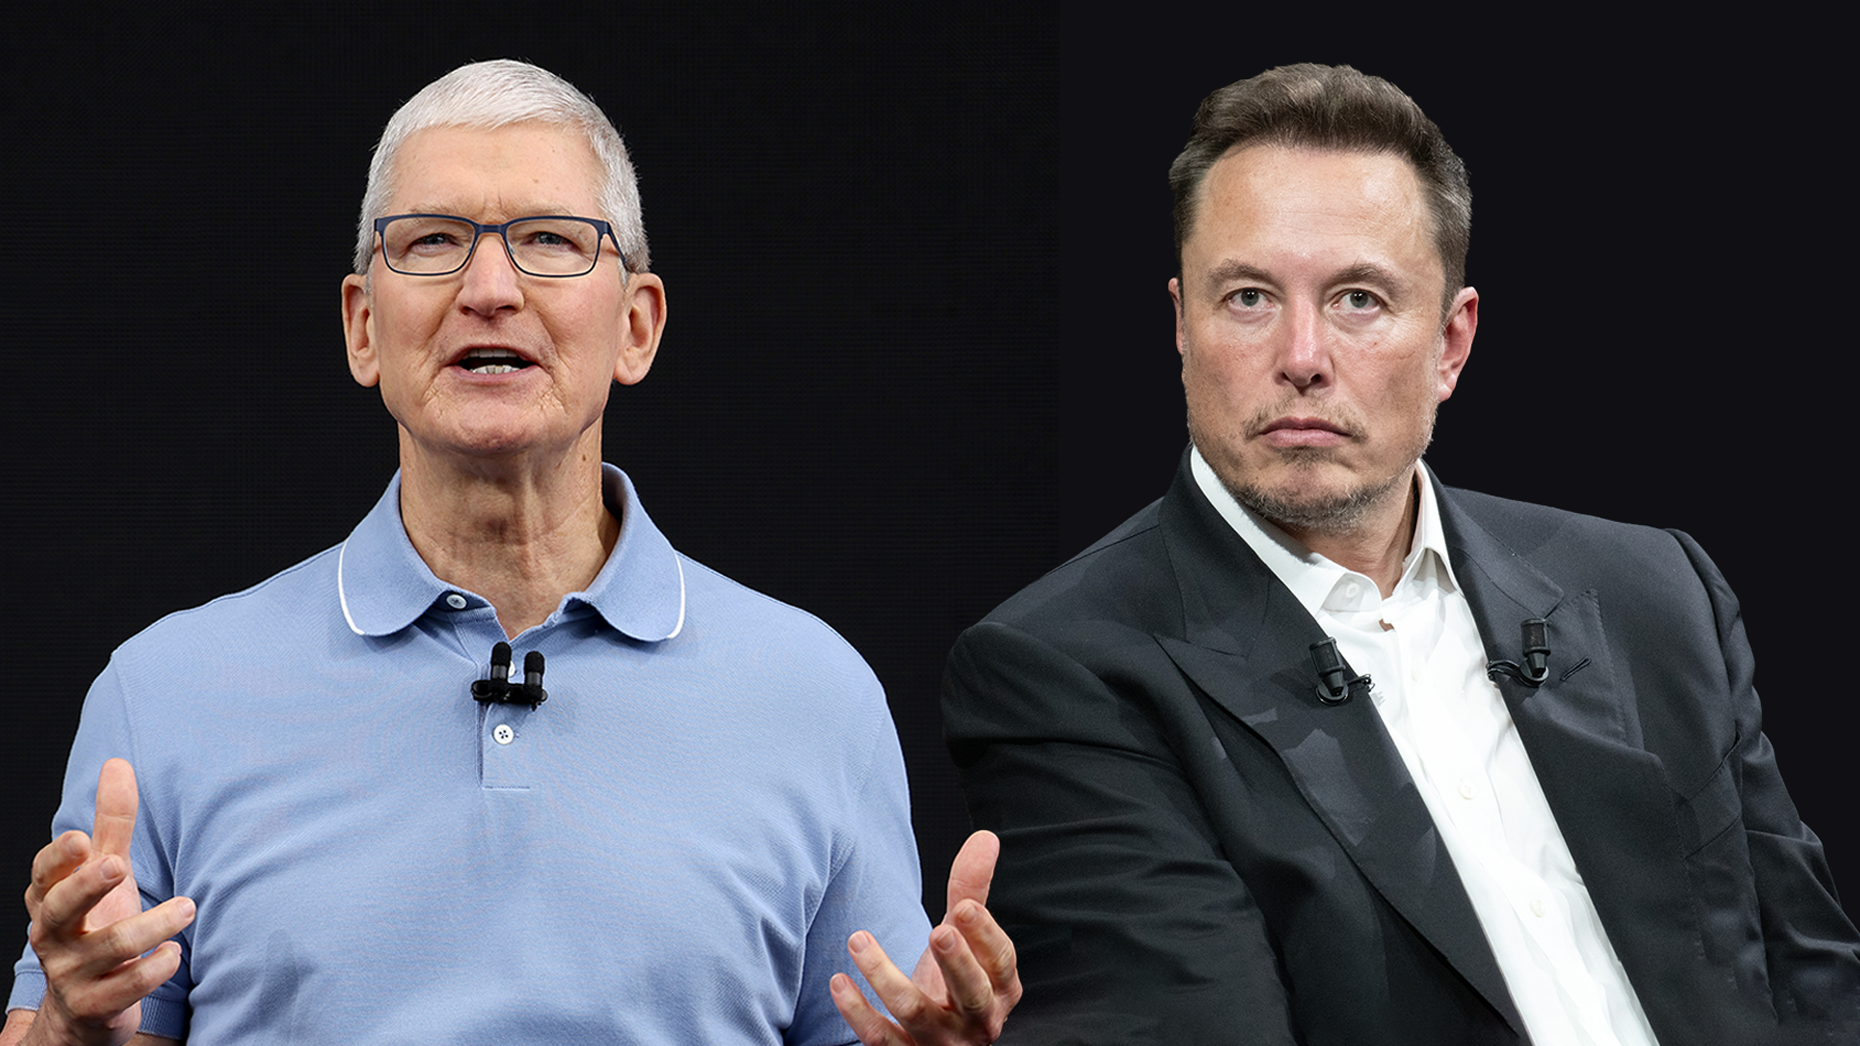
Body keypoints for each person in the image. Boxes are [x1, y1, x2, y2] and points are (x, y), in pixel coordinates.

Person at [5, 59, 1017, 1046]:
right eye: (433, 241)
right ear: (363, 328)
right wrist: (70, 1026)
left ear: (637, 326)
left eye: (549, 240)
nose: (489, 288)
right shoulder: (165, 694)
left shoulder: (816, 696)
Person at [942, 64, 1857, 1045]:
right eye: (1248, 296)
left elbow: (1817, 985)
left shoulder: (1656, 593)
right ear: (1180, 325)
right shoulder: (1065, 670)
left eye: (1358, 299)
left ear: (1451, 343)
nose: (1302, 356)